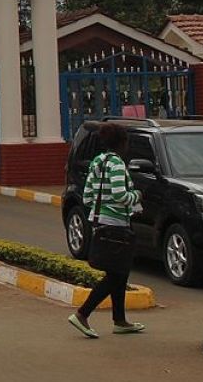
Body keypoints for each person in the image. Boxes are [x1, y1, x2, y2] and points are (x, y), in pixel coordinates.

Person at [68, 122, 145, 338]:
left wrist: (101, 209)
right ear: (122, 143)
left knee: (119, 272)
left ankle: (120, 320)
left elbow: (88, 196)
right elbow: (121, 196)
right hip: (116, 224)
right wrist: (137, 197)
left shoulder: (98, 162)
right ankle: (82, 314)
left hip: (100, 221)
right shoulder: (118, 165)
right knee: (116, 274)